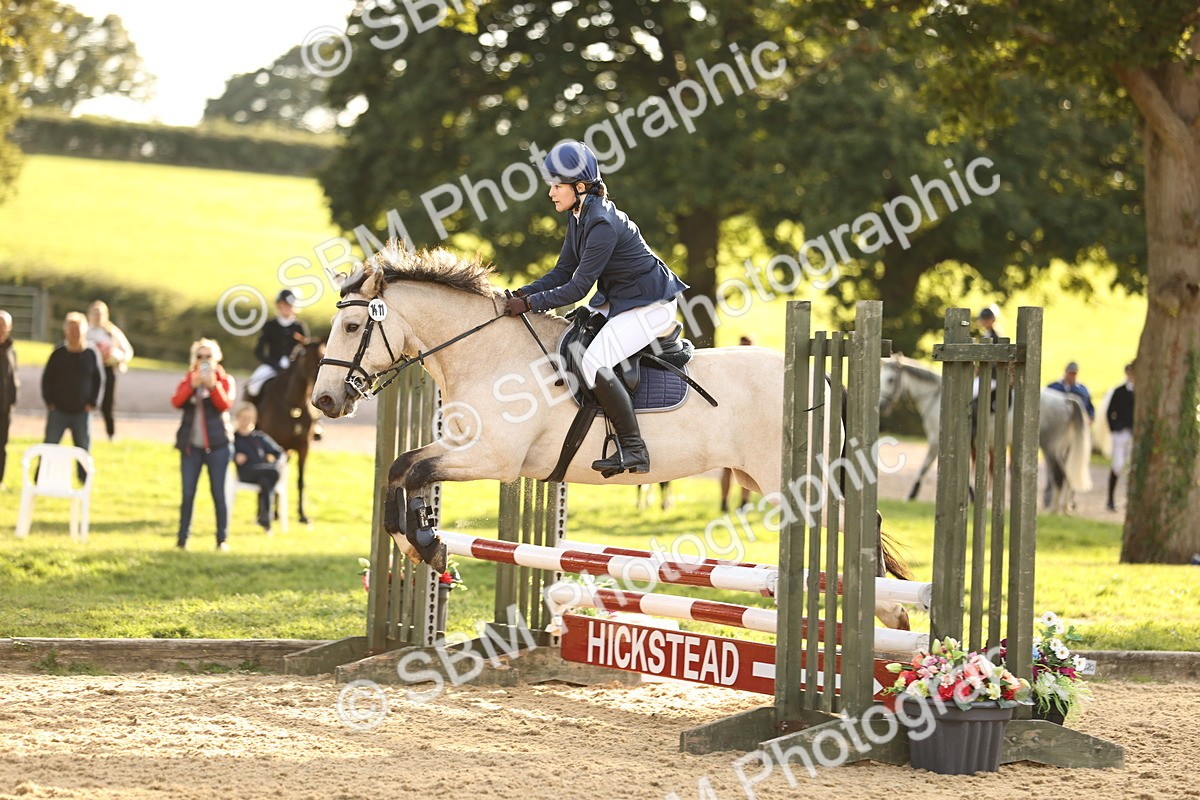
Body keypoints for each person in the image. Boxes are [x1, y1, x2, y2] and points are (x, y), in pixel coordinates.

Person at [505, 140, 688, 477]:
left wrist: (530, 304)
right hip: (624, 301)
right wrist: (521, 293)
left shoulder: (601, 222)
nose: (551, 194)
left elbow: (578, 287)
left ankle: (634, 450)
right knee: (574, 341)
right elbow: (563, 272)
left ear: (579, 186)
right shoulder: (580, 215)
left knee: (594, 363)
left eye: (556, 186)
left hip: (651, 305)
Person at [171, 337, 236, 550]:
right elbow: (176, 402)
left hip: (218, 447)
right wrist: (192, 385)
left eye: (208, 356)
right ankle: (182, 540)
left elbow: (225, 404)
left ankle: (221, 540)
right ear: (194, 359)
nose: (204, 360)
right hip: (191, 448)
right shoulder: (189, 378)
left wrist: (213, 386)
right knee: (188, 493)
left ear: (216, 358)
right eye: (200, 356)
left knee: (218, 493)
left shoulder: (225, 380)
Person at [42, 312, 104, 481]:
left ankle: (84, 481)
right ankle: (41, 479)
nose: (74, 334)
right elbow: (47, 379)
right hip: (58, 411)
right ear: (66, 332)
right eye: (71, 330)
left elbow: (99, 380)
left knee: (83, 448)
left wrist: (93, 403)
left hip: (82, 412)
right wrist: (50, 402)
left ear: (84, 332)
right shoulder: (58, 353)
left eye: (77, 330)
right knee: (49, 445)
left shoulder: (91, 354)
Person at [246, 289, 309, 400]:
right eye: (283, 305)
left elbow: (306, 350)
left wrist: (295, 363)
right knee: (253, 386)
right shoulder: (270, 325)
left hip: (293, 367)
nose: (286, 308)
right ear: (278, 305)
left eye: (289, 305)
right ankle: (251, 411)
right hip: (272, 365)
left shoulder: (299, 326)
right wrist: (273, 364)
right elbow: (259, 351)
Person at [86, 300, 134, 441]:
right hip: (88, 371)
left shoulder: (111, 332)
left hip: (107, 371)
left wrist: (117, 357)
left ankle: (110, 434)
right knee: (88, 402)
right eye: (95, 313)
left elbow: (128, 351)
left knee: (107, 404)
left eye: (100, 313)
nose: (97, 316)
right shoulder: (85, 331)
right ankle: (86, 431)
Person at [232, 402, 284, 533]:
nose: (246, 421)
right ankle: (265, 519)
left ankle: (265, 520)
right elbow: (224, 454)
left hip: (263, 472)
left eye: (249, 418)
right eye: (243, 418)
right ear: (238, 418)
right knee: (274, 472)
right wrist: (234, 456)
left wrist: (274, 461)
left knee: (266, 482)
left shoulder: (260, 437)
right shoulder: (233, 438)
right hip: (245, 473)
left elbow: (279, 453)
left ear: (254, 419)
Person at [721, 336, 756, 511]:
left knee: (745, 467)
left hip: (746, 425)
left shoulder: (754, 372)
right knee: (729, 467)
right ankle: (724, 502)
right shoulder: (732, 370)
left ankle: (744, 502)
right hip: (732, 425)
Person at [1105, 362, 1134, 512]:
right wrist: (1115, 428)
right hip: (1121, 433)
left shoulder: (1140, 391)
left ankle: (1131, 500)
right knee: (1118, 464)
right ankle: (1110, 499)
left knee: (1132, 466)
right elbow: (1110, 412)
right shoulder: (1119, 391)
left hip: (1134, 433)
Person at [0, 310, 17, 488]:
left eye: (3, 326)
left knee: (2, 446)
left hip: (4, 408)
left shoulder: (11, 350)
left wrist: (12, 399)